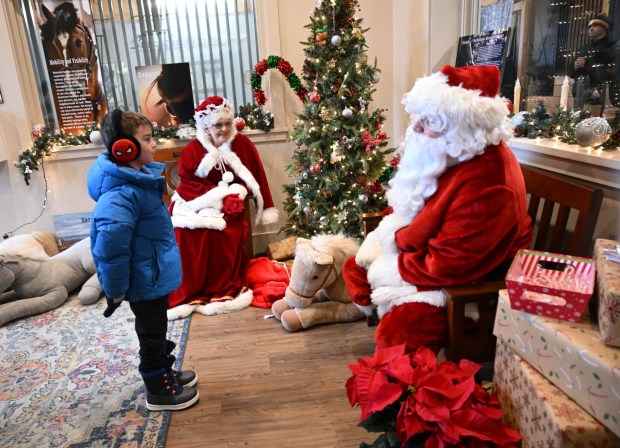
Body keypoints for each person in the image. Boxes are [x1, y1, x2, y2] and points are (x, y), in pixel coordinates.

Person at [342, 65, 533, 354]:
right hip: (436, 258)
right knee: (354, 268)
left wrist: (388, 267)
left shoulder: (489, 182)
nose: (417, 127)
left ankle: (410, 390)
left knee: (398, 333)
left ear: (463, 126)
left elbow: (450, 265)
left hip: (472, 287)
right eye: (418, 117)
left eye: (429, 120)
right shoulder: (457, 153)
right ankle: (381, 306)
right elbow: (423, 209)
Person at [87, 109, 199, 411]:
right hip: (142, 278)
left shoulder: (138, 181)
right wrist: (116, 289)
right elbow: (110, 247)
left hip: (151, 273)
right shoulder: (122, 194)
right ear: (125, 150)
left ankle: (164, 370)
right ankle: (158, 391)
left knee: (158, 328)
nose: (154, 144)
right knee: (151, 334)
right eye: (147, 139)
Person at [167, 96, 279, 319]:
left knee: (221, 232)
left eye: (227, 123)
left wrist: (236, 194)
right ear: (206, 127)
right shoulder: (192, 149)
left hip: (231, 207)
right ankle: (192, 290)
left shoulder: (243, 145)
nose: (224, 129)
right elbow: (187, 182)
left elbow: (255, 178)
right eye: (218, 125)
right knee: (185, 232)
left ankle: (219, 288)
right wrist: (217, 199)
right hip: (195, 202)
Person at [568, 13, 617, 111]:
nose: (591, 28)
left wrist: (599, 90)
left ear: (604, 28)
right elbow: (571, 73)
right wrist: (575, 67)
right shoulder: (584, 49)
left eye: (595, 25)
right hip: (582, 93)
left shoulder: (613, 48)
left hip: (605, 96)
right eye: (589, 26)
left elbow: (613, 72)